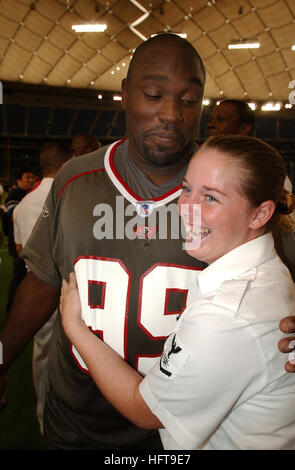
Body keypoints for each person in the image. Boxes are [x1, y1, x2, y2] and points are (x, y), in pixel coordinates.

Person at [0, 33, 293, 449]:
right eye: (154, 94)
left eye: (189, 100)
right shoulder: (75, 180)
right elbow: (46, 279)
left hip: (174, 433)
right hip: (77, 420)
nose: (171, 113)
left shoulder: (234, 194)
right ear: (124, 95)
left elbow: (276, 275)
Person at [60, 135, 295, 450]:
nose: (186, 209)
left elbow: (144, 411)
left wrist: (74, 327)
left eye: (210, 197)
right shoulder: (254, 278)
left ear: (260, 214)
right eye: (186, 189)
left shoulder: (228, 315)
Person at [12, 142, 73, 435]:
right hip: (71, 290)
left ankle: (43, 419)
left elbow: (22, 249)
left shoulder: (24, 203)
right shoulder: (72, 192)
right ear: (65, 164)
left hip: (35, 289)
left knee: (43, 356)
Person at [206, 99, 295, 281]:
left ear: (245, 128)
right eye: (211, 118)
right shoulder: (209, 163)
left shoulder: (265, 167)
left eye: (221, 119)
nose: (210, 124)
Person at [2, 167, 35, 313]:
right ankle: (12, 308)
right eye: (27, 177)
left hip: (24, 239)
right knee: (19, 276)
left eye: (32, 177)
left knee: (24, 277)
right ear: (18, 180)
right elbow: (12, 215)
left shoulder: (29, 193)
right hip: (17, 241)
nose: (31, 180)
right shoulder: (16, 193)